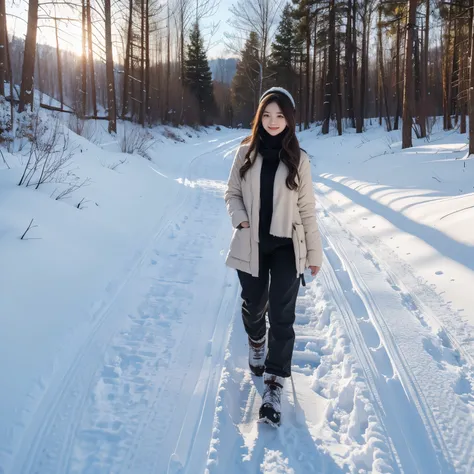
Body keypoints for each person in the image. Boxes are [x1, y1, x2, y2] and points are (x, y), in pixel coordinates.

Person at [224, 87, 323, 426]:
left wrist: (314, 252)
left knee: (282, 315)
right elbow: (232, 192)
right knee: (255, 304)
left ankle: (274, 383)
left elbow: (307, 210)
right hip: (251, 242)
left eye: (280, 115)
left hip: (285, 247)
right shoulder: (245, 153)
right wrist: (240, 217)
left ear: (289, 120)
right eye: (267, 115)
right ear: (259, 117)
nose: (273, 121)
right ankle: (256, 340)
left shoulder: (300, 159)